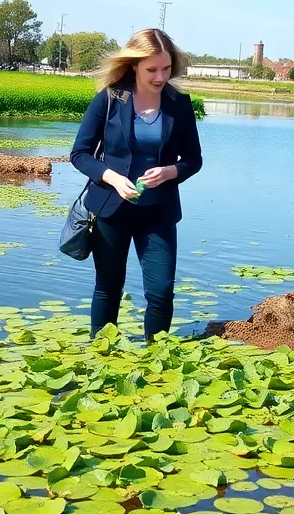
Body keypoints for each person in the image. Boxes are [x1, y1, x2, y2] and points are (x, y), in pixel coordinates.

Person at [69, 28, 203, 340]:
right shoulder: (110, 99)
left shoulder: (179, 104)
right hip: (111, 209)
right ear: (133, 66)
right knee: (108, 288)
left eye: (166, 69)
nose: (160, 77)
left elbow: (193, 160)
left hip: (159, 212)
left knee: (161, 292)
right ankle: (101, 356)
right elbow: (80, 154)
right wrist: (112, 178)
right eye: (152, 70)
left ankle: (156, 357)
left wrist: (170, 171)